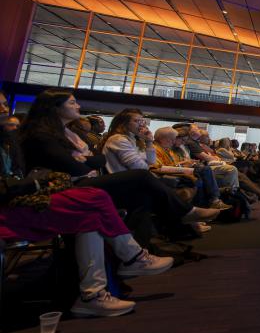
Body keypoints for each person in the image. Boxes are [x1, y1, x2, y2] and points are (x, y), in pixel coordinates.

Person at [0, 91, 173, 317]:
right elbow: (76, 167)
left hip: (31, 196)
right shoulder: (38, 135)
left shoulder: (15, 139)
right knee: (102, 196)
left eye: (5, 103)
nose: (5, 109)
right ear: (54, 107)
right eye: (73, 103)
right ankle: (131, 259)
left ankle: (93, 294)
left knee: (93, 211)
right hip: (17, 206)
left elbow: (91, 161)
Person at [19, 90, 220, 243]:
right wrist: (86, 161)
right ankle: (187, 214)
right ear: (55, 107)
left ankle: (143, 248)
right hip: (70, 185)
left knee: (146, 194)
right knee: (145, 179)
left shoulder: (70, 133)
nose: (78, 106)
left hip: (92, 179)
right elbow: (82, 167)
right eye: (72, 103)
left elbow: (98, 161)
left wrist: (148, 143)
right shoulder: (116, 139)